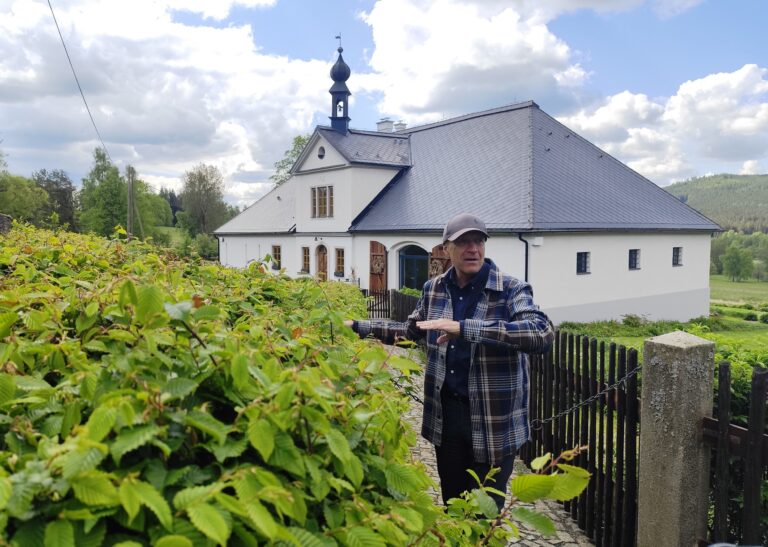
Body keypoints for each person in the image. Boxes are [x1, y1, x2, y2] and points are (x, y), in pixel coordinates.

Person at [345, 213, 554, 509]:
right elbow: (409, 332)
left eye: (479, 241)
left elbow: (540, 333)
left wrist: (465, 328)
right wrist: (356, 326)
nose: (473, 249)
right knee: (454, 506)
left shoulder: (511, 290)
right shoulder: (434, 289)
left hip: (494, 422)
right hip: (447, 418)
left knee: (484, 511)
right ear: (446, 248)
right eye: (463, 242)